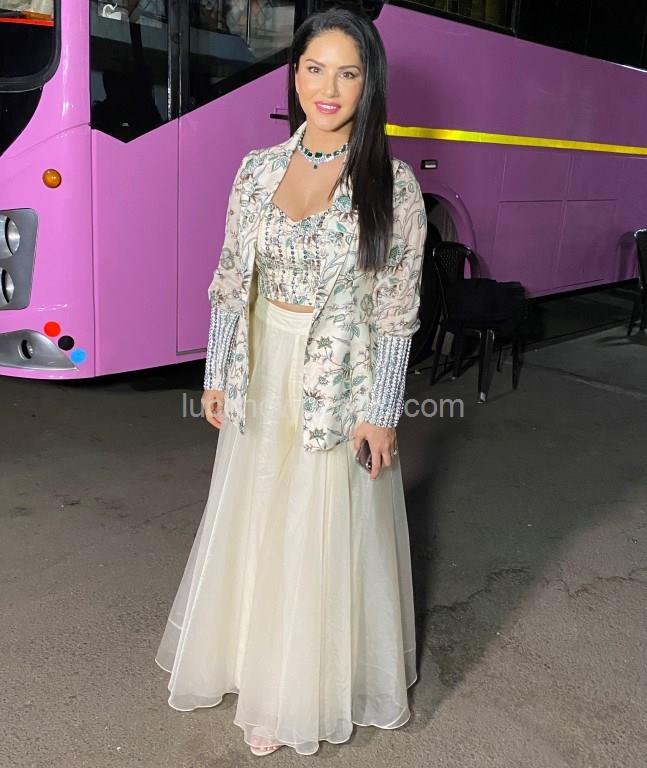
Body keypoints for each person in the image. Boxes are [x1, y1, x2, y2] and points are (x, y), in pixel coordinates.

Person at [155, 4, 427, 757]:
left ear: (369, 83)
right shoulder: (257, 170)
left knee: (315, 530)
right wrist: (216, 373)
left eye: (348, 73)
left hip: (339, 382)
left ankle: (294, 693)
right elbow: (229, 281)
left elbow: (397, 312)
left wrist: (381, 413)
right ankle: (252, 663)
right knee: (256, 519)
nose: (328, 89)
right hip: (261, 366)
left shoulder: (393, 186)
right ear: (295, 74)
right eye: (315, 69)